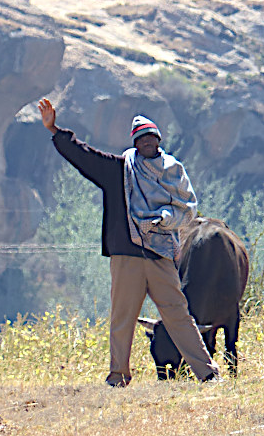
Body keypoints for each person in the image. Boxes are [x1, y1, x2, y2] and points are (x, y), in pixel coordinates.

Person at [37, 98, 222, 386]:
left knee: (179, 315)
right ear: (135, 144)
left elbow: (186, 209)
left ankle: (207, 373)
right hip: (127, 256)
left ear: (159, 140)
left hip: (161, 255)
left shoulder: (173, 172)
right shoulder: (120, 171)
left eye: (151, 137)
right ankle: (118, 376)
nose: (147, 141)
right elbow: (84, 155)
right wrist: (54, 130)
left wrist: (163, 219)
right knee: (123, 317)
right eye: (141, 138)